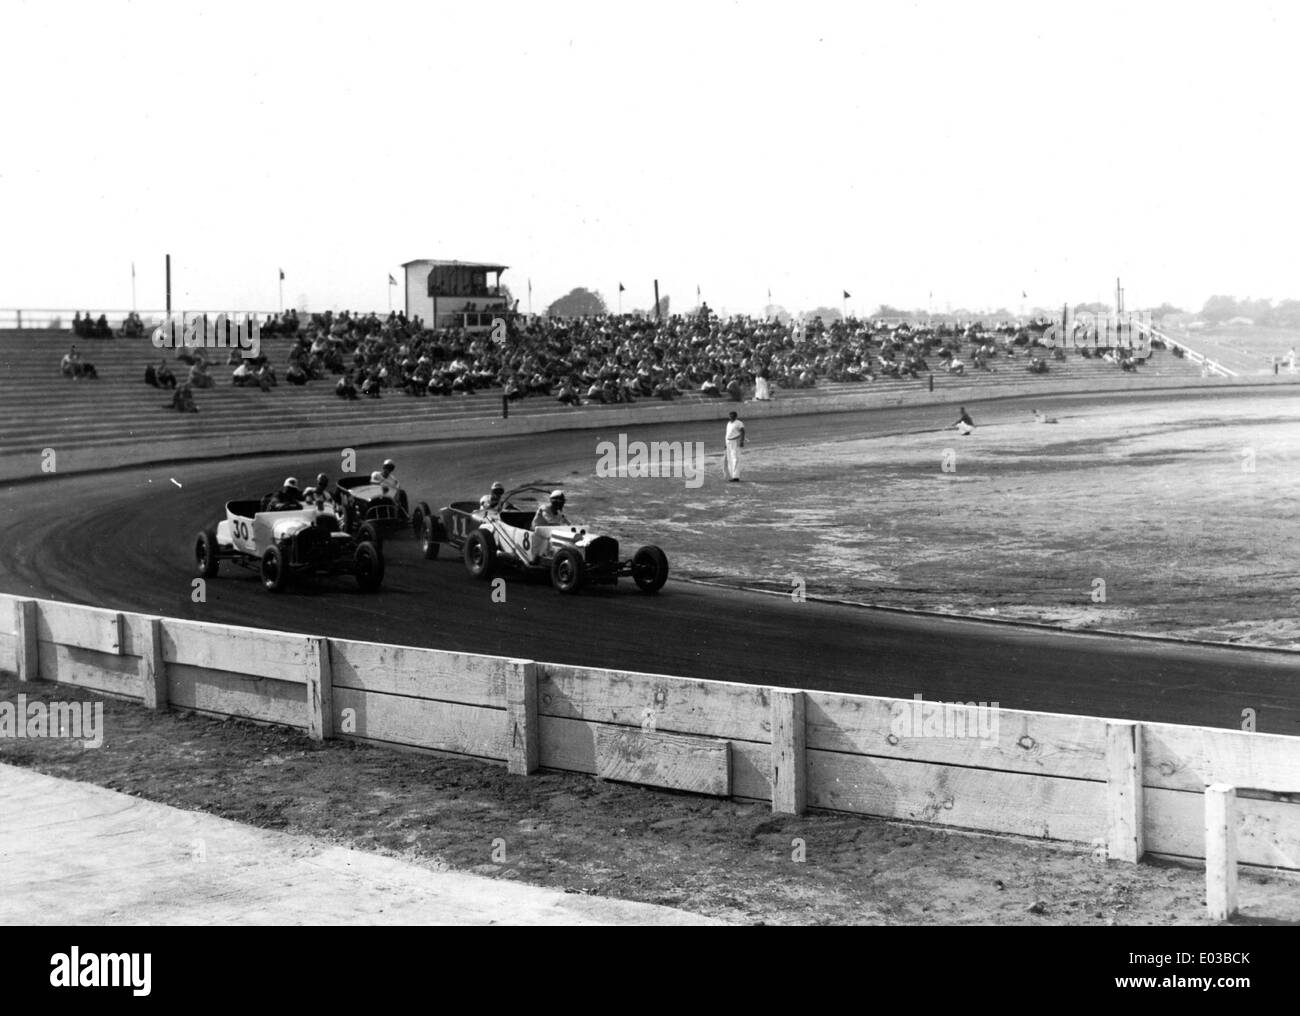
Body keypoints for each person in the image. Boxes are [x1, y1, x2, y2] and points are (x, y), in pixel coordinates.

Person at [724, 410, 745, 481]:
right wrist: (725, 444)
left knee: (735, 459)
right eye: (730, 416)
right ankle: (732, 475)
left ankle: (736, 476)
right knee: (729, 459)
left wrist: (741, 441)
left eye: (732, 416)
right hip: (728, 442)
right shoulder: (729, 423)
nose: (731, 417)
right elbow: (727, 434)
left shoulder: (739, 423)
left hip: (735, 442)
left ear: (736, 416)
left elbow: (743, 432)